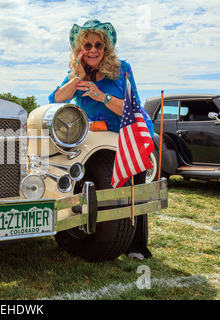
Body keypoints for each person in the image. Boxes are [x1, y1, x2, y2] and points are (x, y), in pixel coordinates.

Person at [49, 19, 153, 259]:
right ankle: (95, 236)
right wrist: (78, 77)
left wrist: (101, 96)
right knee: (95, 186)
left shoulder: (122, 69)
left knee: (132, 188)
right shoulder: (76, 72)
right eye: (87, 45)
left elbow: (132, 106)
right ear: (80, 49)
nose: (93, 50)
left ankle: (135, 245)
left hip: (124, 137)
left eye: (98, 45)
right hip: (92, 143)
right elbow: (56, 98)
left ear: (106, 47)